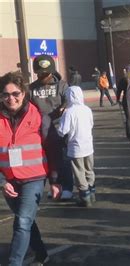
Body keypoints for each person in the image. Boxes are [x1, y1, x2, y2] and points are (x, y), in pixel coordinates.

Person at [0, 71, 52, 265]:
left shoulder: (38, 115)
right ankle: (42, 254)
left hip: (34, 177)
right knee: (25, 220)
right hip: (9, 181)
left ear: (23, 93)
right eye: (5, 94)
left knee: (22, 222)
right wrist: (2, 182)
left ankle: (14, 262)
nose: (10, 98)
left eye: (15, 93)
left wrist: (56, 179)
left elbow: (53, 148)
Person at [30, 54, 74, 200]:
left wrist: (64, 108)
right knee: (48, 160)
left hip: (60, 129)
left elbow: (70, 101)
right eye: (40, 73)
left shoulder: (62, 85)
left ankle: (67, 187)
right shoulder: (32, 88)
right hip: (41, 130)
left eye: (46, 73)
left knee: (64, 159)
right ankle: (55, 186)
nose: (43, 76)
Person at [58, 86, 96, 207]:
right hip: (88, 145)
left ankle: (84, 196)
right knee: (89, 170)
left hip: (76, 147)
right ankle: (92, 191)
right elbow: (91, 124)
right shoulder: (87, 109)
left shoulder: (68, 112)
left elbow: (62, 131)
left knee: (79, 172)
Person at [116, 68, 130, 139]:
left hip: (126, 99)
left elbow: (119, 90)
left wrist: (118, 99)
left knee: (128, 118)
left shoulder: (123, 79)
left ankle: (129, 134)